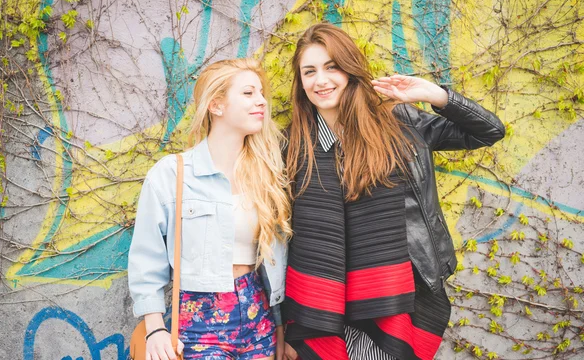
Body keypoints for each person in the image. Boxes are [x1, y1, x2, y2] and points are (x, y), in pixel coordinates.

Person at [282, 23, 505, 360]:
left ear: (350, 70)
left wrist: (435, 95)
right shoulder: (292, 144)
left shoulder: (398, 121)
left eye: (331, 67)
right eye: (309, 72)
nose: (321, 81)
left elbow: (488, 132)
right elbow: (279, 234)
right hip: (323, 304)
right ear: (301, 83)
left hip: (398, 296)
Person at [128, 58, 292, 360]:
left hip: (259, 317)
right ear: (216, 105)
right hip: (199, 322)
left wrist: (280, 327)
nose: (262, 101)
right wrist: (154, 327)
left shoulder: (266, 174)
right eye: (248, 93)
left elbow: (274, 260)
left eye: (261, 93)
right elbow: (145, 257)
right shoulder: (172, 174)